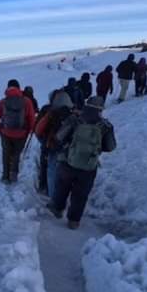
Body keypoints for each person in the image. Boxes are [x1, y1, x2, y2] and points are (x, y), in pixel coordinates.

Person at [46, 96, 117, 229]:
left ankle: (57, 210)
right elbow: (111, 147)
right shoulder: (105, 126)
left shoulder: (74, 120)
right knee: (81, 194)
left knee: (62, 187)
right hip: (89, 166)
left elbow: (59, 137)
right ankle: (74, 221)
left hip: (67, 162)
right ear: (101, 109)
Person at [0, 79, 36, 184]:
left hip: (6, 132)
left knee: (6, 154)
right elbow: (31, 118)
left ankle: (5, 177)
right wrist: (29, 130)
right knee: (17, 153)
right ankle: (14, 174)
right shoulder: (26, 101)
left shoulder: (3, 102)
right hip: (21, 133)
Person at [34, 91, 74, 200]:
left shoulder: (48, 110)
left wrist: (42, 140)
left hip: (49, 145)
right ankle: (63, 195)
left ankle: (45, 188)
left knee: (47, 167)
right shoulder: (72, 112)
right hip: (67, 148)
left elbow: (37, 129)